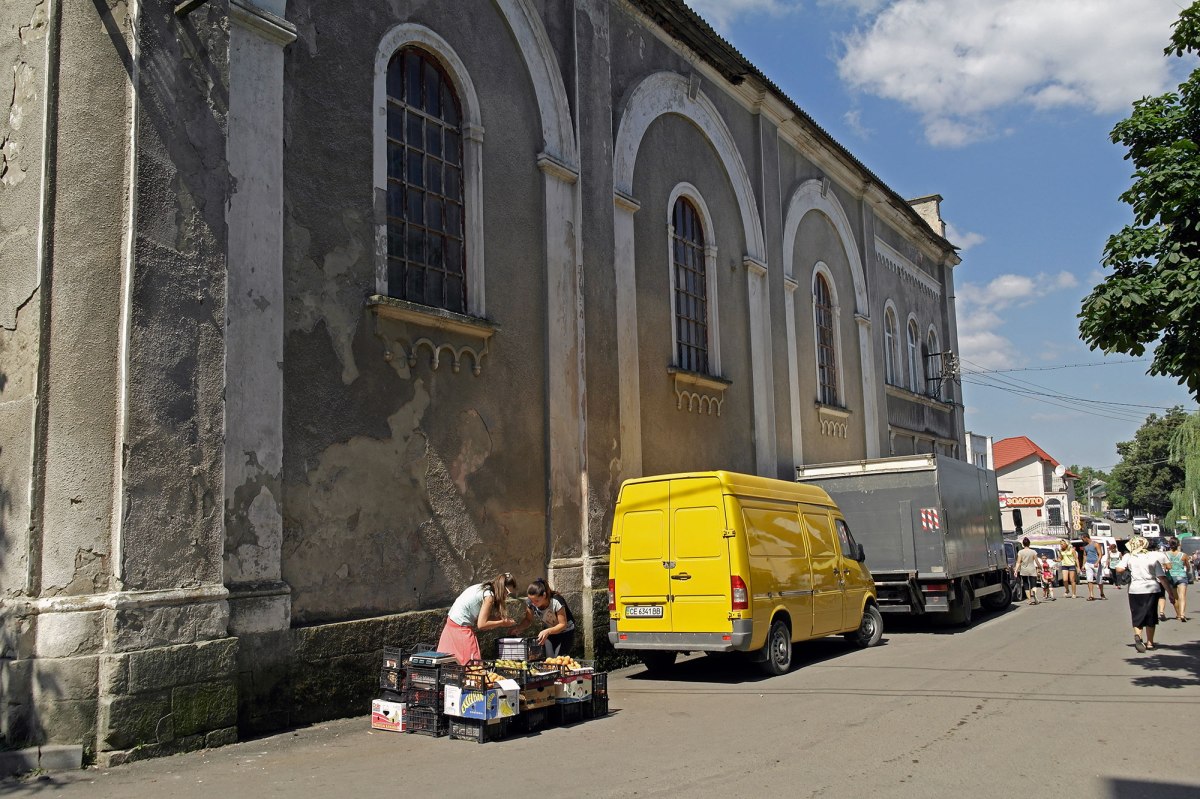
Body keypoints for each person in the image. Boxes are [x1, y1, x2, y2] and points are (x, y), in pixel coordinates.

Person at [437, 573, 521, 665]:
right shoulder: (489, 597)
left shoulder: (483, 587)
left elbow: (481, 617)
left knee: (449, 663)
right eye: (507, 593)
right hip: (461, 628)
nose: (506, 596)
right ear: (502, 588)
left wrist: (497, 619)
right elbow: (481, 624)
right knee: (472, 664)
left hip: (451, 623)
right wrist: (502, 623)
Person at [1114, 536, 1175, 652]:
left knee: (1137, 614)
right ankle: (1150, 643)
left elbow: (1118, 569)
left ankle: (1138, 637)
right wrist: (1170, 593)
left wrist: (1129, 568)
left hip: (1135, 590)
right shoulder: (1152, 557)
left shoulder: (1129, 556)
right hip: (1152, 589)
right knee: (1151, 615)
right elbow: (1162, 578)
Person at [516, 577, 577, 657]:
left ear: (544, 595)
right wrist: (519, 628)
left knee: (559, 660)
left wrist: (548, 631)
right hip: (550, 632)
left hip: (565, 632)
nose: (533, 603)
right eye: (531, 600)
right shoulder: (531, 603)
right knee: (549, 660)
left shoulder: (556, 601)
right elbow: (528, 619)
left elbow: (563, 624)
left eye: (536, 601)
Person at [1159, 538, 1191, 622]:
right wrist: (1187, 570)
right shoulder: (1183, 555)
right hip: (1181, 576)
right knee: (1182, 596)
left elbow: (1165, 567)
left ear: (1169, 545)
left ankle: (1178, 614)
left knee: (1175, 597)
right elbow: (1188, 566)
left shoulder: (1165, 554)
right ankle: (1183, 614)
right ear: (1178, 545)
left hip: (1170, 577)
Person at [1014, 538, 1040, 606]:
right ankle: (1034, 593)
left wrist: (1016, 570)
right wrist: (1040, 567)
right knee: (1033, 584)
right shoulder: (1033, 551)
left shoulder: (1020, 552)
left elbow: (1018, 562)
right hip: (1032, 569)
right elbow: (1037, 561)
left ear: (1023, 544)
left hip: (1024, 570)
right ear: (1029, 543)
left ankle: (1029, 600)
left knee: (1026, 584)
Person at [1081, 534, 1106, 600]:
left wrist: (1097, 562)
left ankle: (1102, 593)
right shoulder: (1085, 546)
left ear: (1086, 537)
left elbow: (1100, 554)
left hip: (1095, 563)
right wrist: (1083, 565)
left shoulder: (1095, 544)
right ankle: (1091, 595)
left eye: (1082, 539)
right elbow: (1085, 556)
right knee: (1089, 580)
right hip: (1088, 564)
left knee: (1099, 580)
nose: (1082, 540)